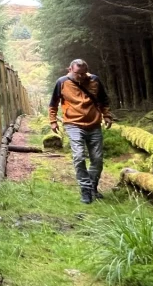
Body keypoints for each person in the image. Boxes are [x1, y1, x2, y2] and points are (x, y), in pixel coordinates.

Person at [48, 59, 113, 204]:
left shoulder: (95, 80)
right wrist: (53, 121)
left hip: (94, 124)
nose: (81, 76)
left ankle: (92, 187)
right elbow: (53, 103)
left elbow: (104, 100)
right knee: (78, 156)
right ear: (69, 69)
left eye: (83, 73)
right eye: (78, 73)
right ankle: (85, 189)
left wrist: (107, 116)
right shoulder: (62, 82)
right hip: (73, 124)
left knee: (97, 159)